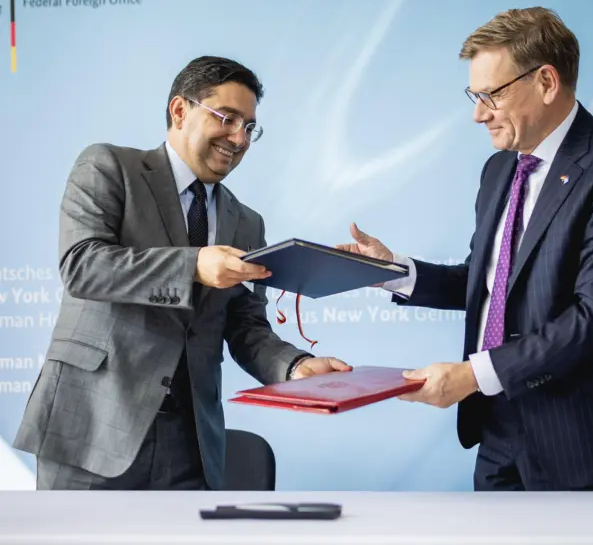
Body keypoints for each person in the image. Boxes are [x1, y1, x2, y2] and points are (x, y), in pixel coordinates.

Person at [337, 8, 593, 491]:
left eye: (491, 95)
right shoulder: (499, 169)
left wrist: (472, 375)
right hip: (497, 438)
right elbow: (491, 283)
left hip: (589, 450)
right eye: (474, 96)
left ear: (546, 82)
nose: (478, 114)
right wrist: (393, 271)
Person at [14, 56, 351, 490]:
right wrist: (193, 265)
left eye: (249, 127)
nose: (239, 138)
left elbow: (245, 326)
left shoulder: (247, 223)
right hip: (92, 429)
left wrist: (294, 366)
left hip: (191, 444)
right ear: (179, 110)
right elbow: (83, 266)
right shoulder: (109, 167)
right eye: (227, 118)